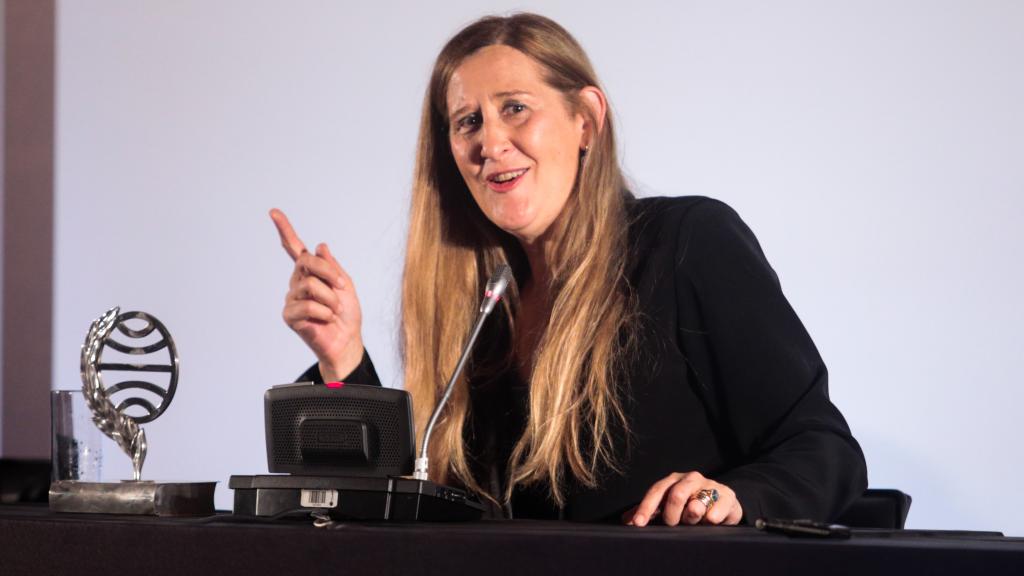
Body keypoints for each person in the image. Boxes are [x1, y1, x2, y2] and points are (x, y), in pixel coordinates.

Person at [270, 13, 867, 526]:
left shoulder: (688, 244)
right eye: (468, 122)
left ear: (586, 120)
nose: (491, 142)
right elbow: (421, 502)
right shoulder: (481, 305)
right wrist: (342, 358)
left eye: (516, 109)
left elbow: (823, 448)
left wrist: (730, 496)